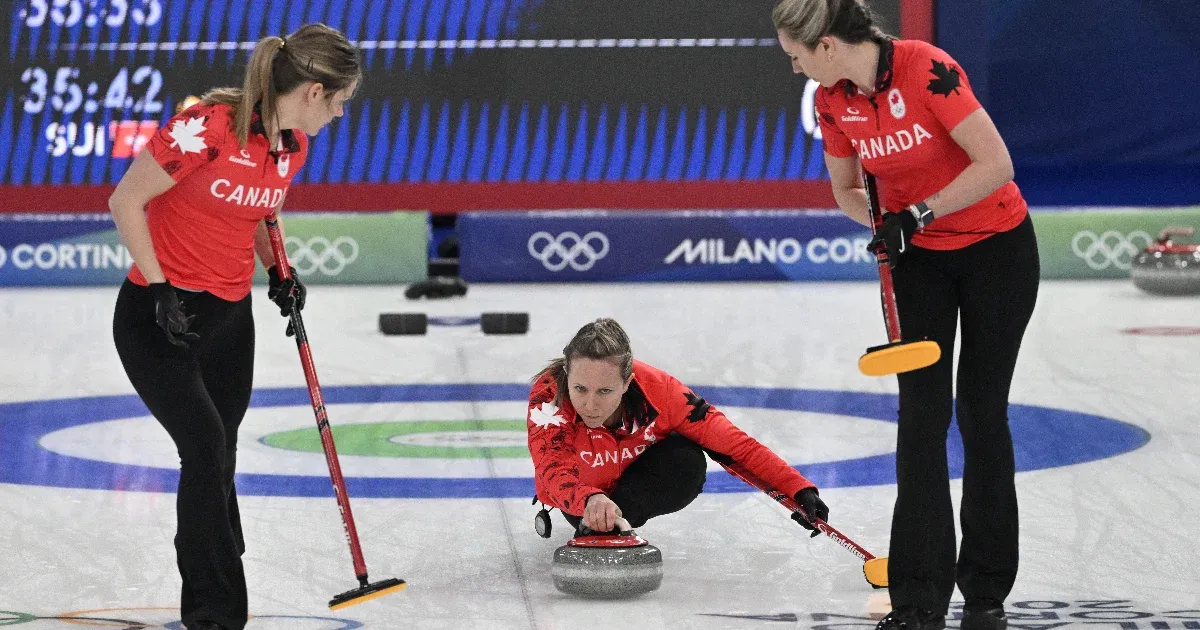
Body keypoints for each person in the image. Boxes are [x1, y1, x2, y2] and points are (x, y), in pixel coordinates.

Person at [771, 1, 1040, 629]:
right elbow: (845, 188)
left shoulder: (928, 70)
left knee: (980, 410)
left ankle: (986, 589)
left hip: (998, 251)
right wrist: (883, 225)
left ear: (829, 45)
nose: (795, 69)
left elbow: (996, 165)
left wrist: (917, 213)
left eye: (797, 55)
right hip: (918, 261)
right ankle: (919, 599)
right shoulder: (832, 103)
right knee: (921, 420)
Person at [108, 24, 360, 630]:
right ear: (314, 90)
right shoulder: (206, 128)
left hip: (229, 317)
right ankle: (215, 608)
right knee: (204, 449)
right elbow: (125, 201)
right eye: (342, 102)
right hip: (158, 317)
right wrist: (161, 284)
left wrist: (280, 271)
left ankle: (215, 559)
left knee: (221, 456)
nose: (340, 114)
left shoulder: (290, 147)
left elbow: (256, 216)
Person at [526, 318, 829, 539]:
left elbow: (734, 445)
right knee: (574, 484)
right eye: (580, 388)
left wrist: (797, 488)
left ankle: (611, 522)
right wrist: (589, 499)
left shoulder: (662, 392)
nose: (590, 404)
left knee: (687, 460)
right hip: (578, 495)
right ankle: (594, 520)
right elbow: (552, 468)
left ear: (627, 382)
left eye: (605, 391)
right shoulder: (548, 398)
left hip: (631, 485)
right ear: (567, 374)